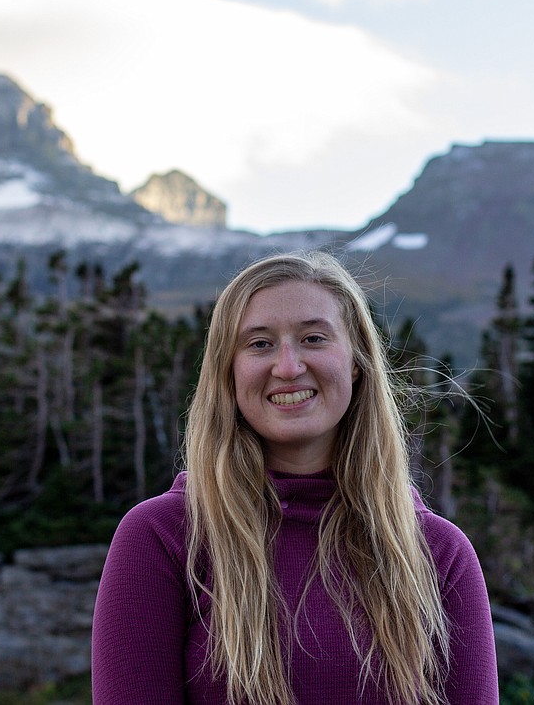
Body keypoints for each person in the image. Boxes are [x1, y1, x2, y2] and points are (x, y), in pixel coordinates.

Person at [91, 251, 498, 704]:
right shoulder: (163, 538)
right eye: (259, 344)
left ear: (358, 361)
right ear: (228, 371)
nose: (288, 367)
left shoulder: (438, 553)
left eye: (313, 338)